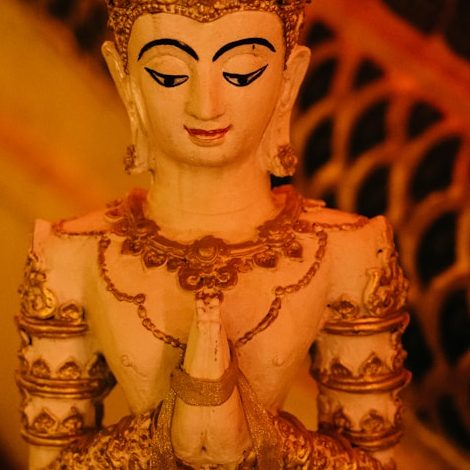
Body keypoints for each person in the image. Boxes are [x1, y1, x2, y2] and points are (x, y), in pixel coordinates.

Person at [16, 0, 410, 468]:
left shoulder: (348, 251)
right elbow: (48, 463)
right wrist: (162, 436)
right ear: (126, 80)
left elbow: (374, 464)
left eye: (241, 74)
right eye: (169, 75)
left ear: (288, 79)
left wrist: (259, 437)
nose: (205, 106)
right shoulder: (71, 255)